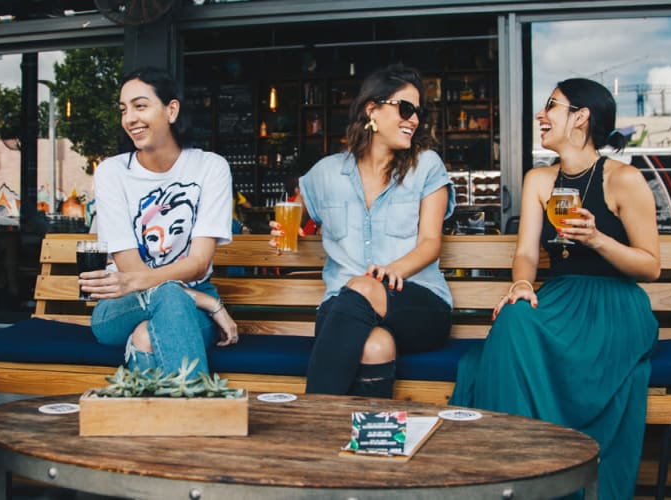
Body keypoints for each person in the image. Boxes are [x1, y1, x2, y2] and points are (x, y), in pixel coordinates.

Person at [450, 78, 660, 499]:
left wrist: (598, 239)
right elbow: (526, 252)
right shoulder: (538, 180)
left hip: (613, 306)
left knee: (510, 339)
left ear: (581, 117)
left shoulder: (624, 179)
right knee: (513, 319)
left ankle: (562, 475)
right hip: (559, 296)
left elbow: (651, 266)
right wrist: (523, 283)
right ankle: (512, 479)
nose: (540, 116)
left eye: (552, 106)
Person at [277, 63, 455, 398]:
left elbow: (431, 243)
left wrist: (388, 273)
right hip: (342, 310)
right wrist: (287, 227)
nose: (414, 119)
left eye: (418, 112)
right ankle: (368, 442)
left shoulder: (427, 166)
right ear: (371, 109)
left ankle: (311, 415)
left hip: (417, 304)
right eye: (405, 108)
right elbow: (295, 213)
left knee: (365, 286)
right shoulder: (326, 173)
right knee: (375, 347)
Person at [79, 67, 238, 379]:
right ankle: (202, 413)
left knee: (146, 338)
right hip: (122, 304)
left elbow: (198, 263)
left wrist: (191, 294)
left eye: (140, 106)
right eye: (124, 110)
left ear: (172, 110)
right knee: (168, 295)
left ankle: (159, 421)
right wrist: (205, 301)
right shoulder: (112, 173)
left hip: (188, 300)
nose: (130, 118)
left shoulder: (210, 168)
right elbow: (129, 271)